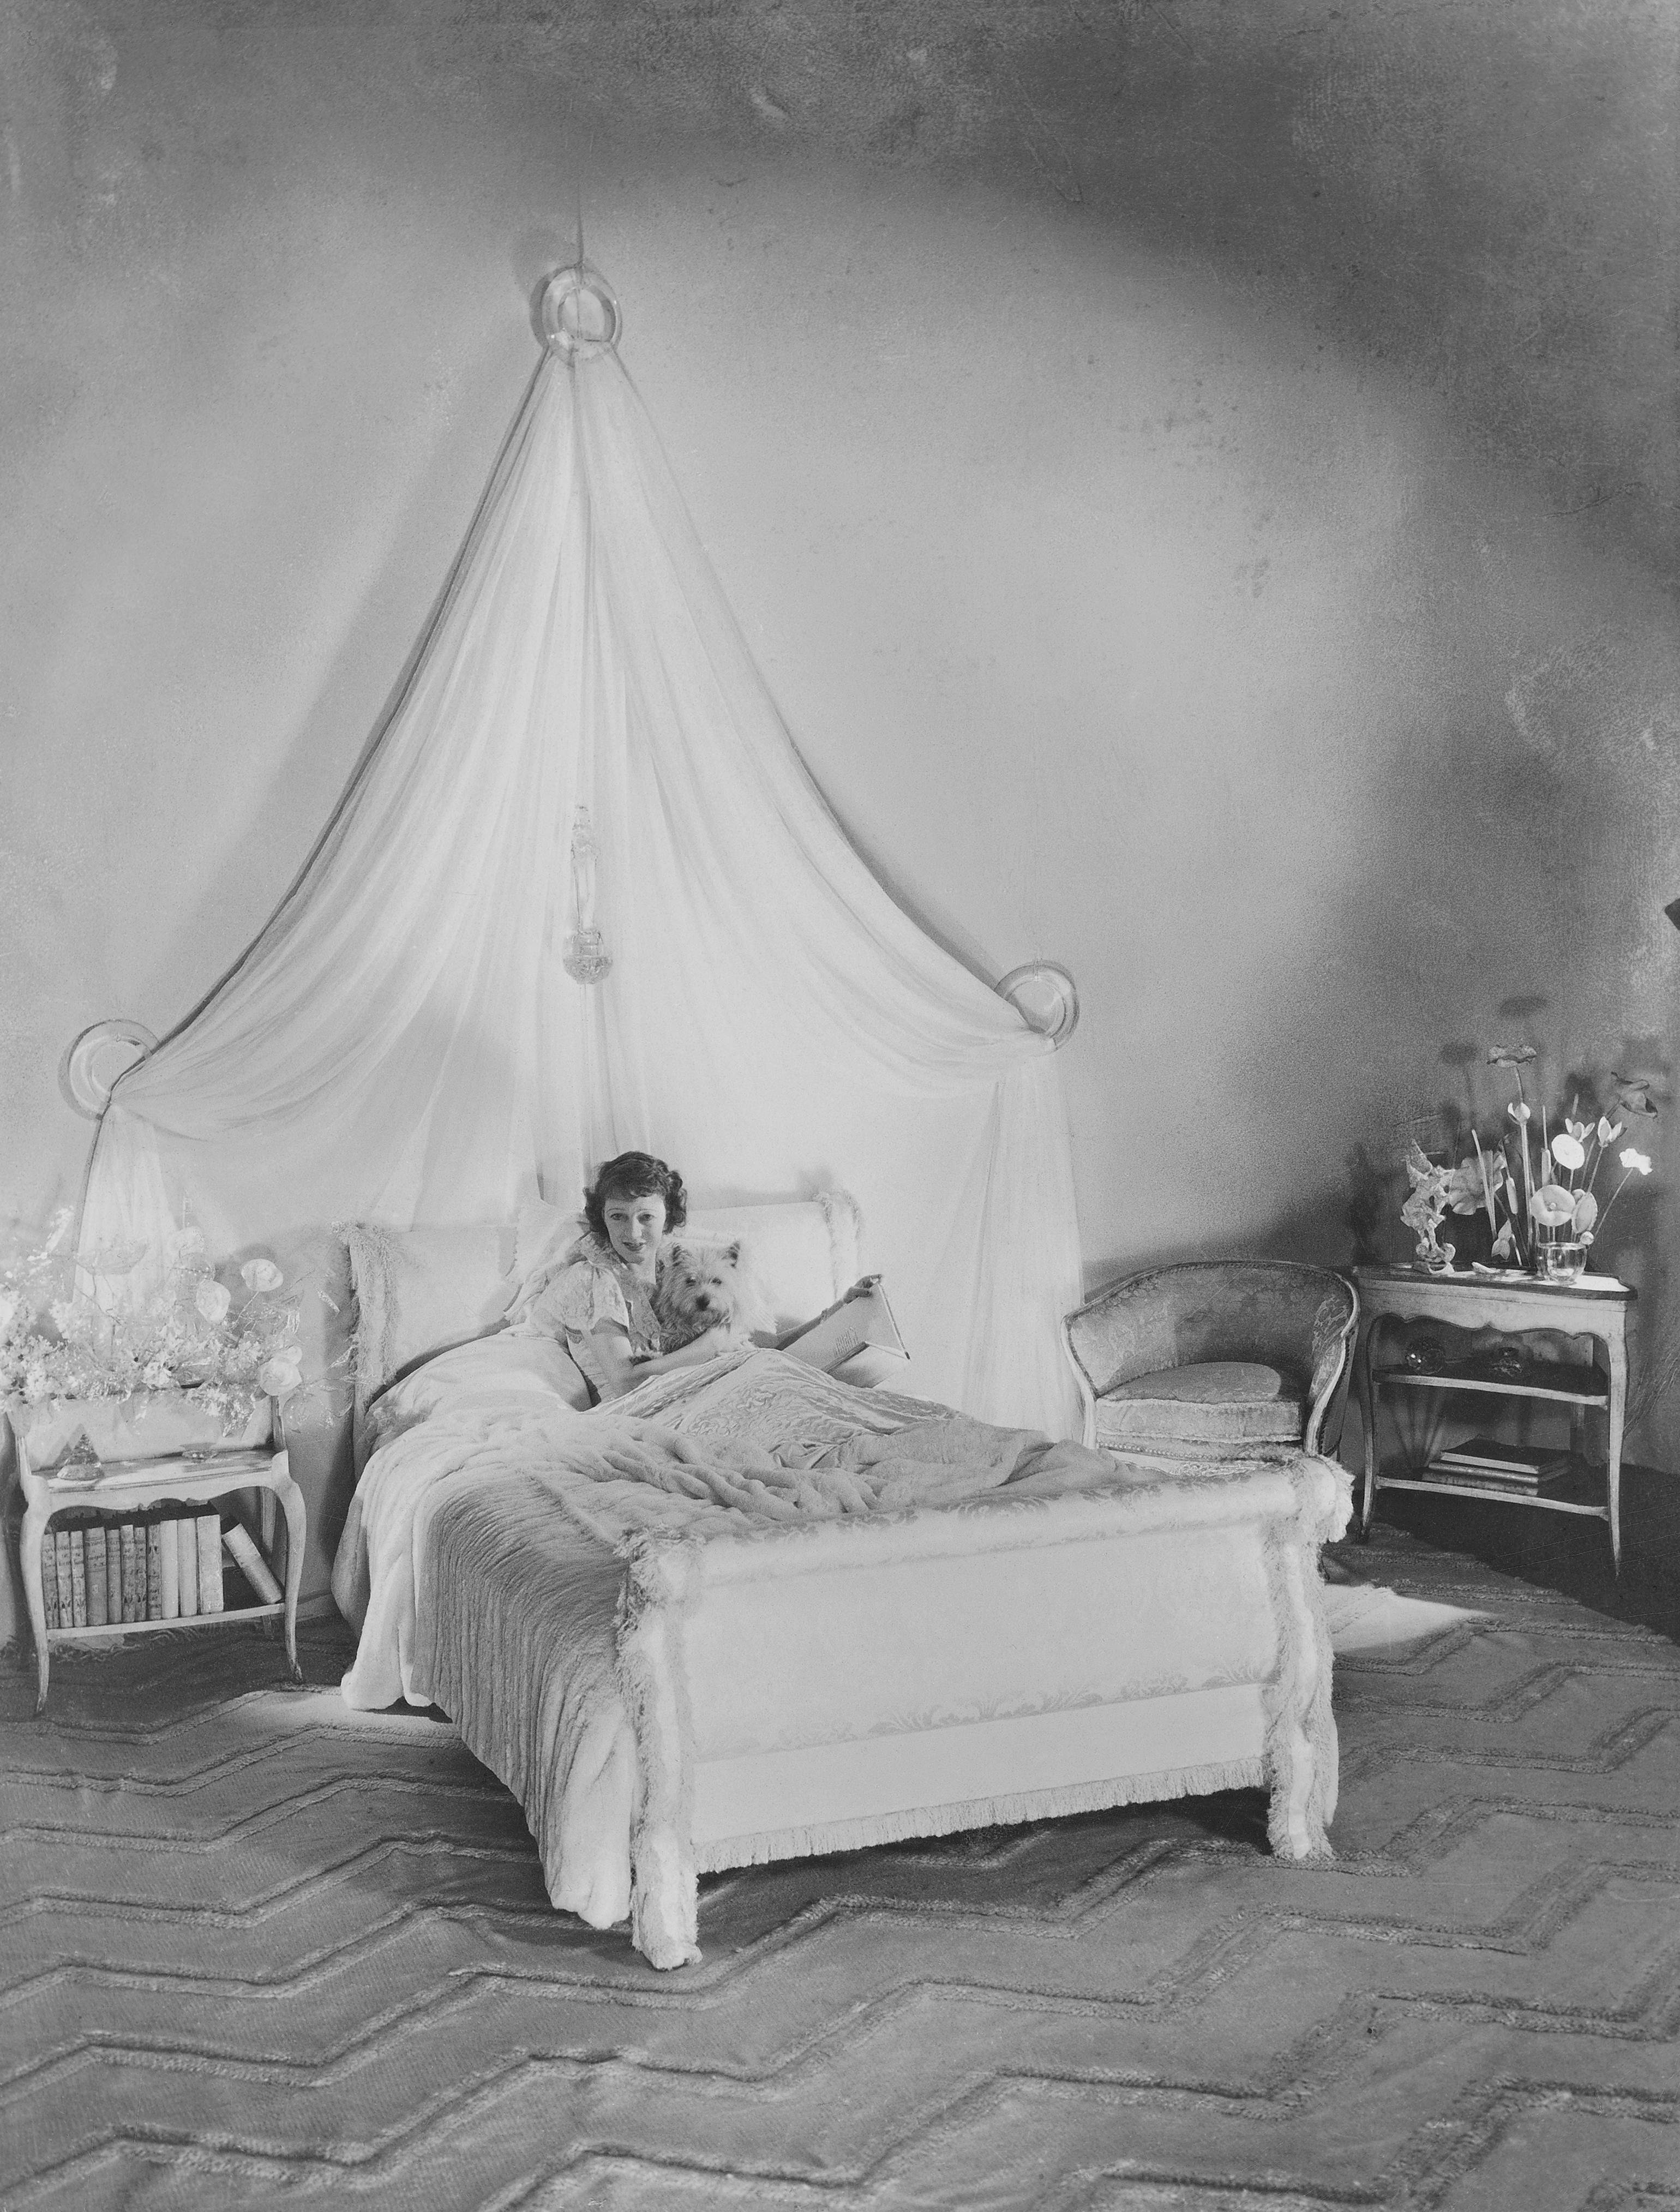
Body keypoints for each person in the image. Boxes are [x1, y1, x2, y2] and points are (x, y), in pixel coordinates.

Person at [527, 1152, 743, 1404]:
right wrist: (715, 1342)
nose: (633, 1233)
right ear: (603, 1219)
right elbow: (625, 1383)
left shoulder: (674, 1271)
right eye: (618, 1216)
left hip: (702, 1391)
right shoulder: (591, 1279)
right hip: (641, 1407)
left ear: (667, 1216)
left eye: (646, 1217)